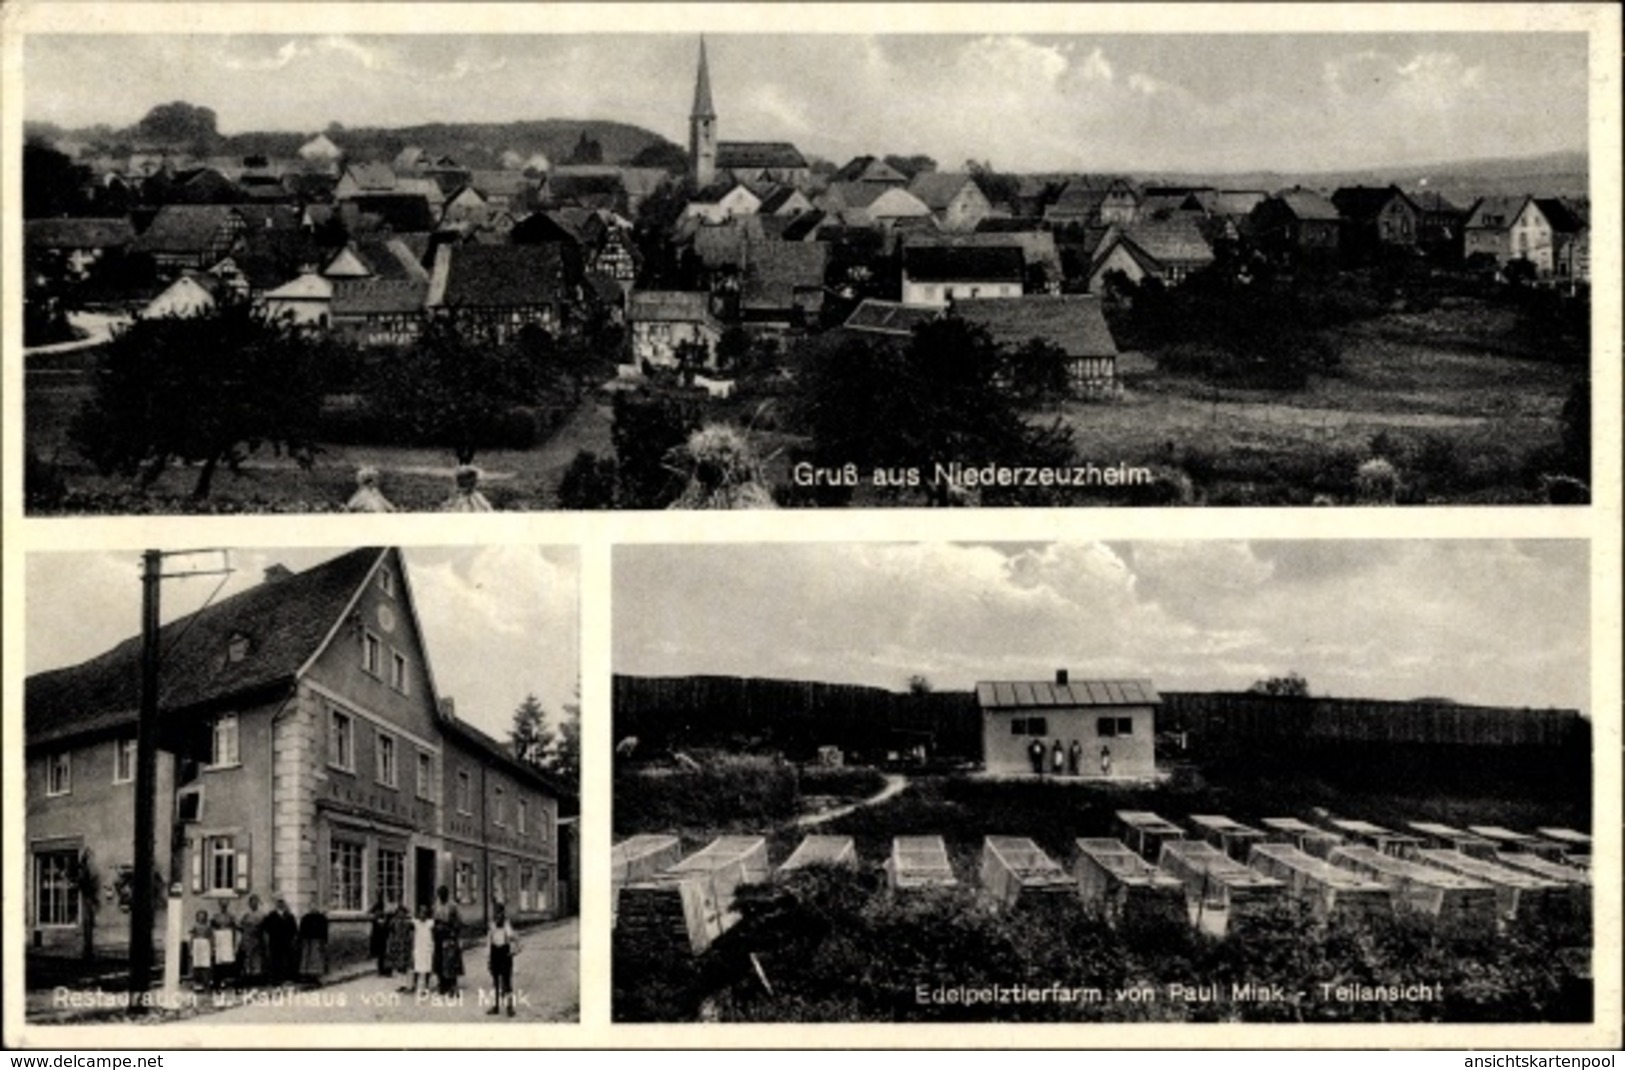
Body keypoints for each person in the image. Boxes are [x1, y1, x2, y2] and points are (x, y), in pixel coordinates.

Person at [486, 903, 519, 1017]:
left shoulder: (506, 925)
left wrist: (515, 941)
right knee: (495, 982)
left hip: (505, 953)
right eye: (496, 913)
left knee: (507, 981)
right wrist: (488, 959)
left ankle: (510, 1007)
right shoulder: (491, 925)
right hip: (495, 953)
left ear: (503, 913)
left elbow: (512, 937)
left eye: (500, 913)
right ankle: (496, 1007)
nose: (498, 915)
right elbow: (489, 942)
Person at [432, 885, 464, 994]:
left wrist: (453, 931)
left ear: (447, 894)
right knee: (439, 959)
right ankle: (442, 983)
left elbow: (458, 921)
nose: (441, 897)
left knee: (451, 960)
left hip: (449, 934)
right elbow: (434, 920)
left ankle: (451, 984)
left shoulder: (453, 906)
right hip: (439, 936)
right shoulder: (436, 905)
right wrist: (436, 928)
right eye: (439, 894)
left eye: (443, 894)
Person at [263, 897, 298, 986]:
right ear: (276, 905)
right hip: (275, 942)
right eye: (279, 903)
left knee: (286, 959)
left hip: (286, 942)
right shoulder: (271, 916)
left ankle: (286, 978)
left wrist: (291, 938)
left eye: (282, 903)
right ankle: (275, 979)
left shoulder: (289, 916)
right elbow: (266, 928)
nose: (280, 905)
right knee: (275, 960)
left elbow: (294, 929)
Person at [237, 895, 266, 988]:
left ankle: (256, 977)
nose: (254, 904)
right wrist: (246, 929)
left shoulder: (262, 915)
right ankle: (247, 976)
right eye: (252, 902)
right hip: (247, 939)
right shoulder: (245, 915)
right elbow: (239, 926)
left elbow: (264, 927)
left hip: (257, 939)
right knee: (247, 958)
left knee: (257, 958)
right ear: (249, 904)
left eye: (256, 902)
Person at [298, 905, 329, 988]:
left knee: (316, 958)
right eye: (311, 907)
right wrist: (301, 940)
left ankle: (315, 976)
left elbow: (324, 931)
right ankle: (305, 975)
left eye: (315, 907)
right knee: (306, 957)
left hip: (317, 940)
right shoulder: (306, 918)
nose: (313, 909)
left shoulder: (322, 918)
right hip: (307, 941)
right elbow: (302, 930)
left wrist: (325, 941)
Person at [210, 902, 238, 991]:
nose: (223, 907)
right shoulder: (215, 916)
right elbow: (212, 929)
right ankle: (218, 981)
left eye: (225, 905)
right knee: (219, 961)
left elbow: (234, 930)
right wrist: (213, 944)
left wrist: (234, 944)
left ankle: (226, 981)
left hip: (228, 938)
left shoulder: (231, 916)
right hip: (219, 939)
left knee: (227, 961)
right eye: (222, 905)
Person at [411, 903, 436, 996]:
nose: (423, 915)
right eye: (421, 912)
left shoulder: (430, 923)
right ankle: (414, 985)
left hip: (427, 947)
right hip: (418, 947)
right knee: (417, 966)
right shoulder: (416, 923)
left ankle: (426, 985)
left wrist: (432, 945)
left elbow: (433, 935)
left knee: (427, 966)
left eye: (425, 913)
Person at [386, 903, 414, 983]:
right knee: (398, 965)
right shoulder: (393, 922)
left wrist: (410, 942)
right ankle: (400, 983)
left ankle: (407, 983)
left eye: (403, 912)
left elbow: (411, 933)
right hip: (397, 944)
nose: (401, 914)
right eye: (399, 912)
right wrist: (390, 944)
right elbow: (391, 933)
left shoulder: (408, 923)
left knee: (406, 965)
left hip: (405, 944)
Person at [189, 909, 214, 992]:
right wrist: (191, 948)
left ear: (205, 917)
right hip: (197, 945)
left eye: (203, 916)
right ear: (197, 917)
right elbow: (192, 937)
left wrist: (212, 948)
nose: (201, 917)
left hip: (205, 945)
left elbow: (211, 938)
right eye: (199, 916)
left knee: (206, 965)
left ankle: (206, 983)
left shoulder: (208, 926)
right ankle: (197, 984)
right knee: (196, 965)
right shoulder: (194, 926)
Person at [369, 895, 390, 975]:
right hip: (378, 938)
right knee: (380, 954)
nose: (379, 912)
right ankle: (381, 969)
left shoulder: (385, 919)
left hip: (383, 938)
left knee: (383, 954)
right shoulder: (376, 920)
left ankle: (383, 969)